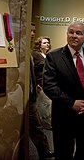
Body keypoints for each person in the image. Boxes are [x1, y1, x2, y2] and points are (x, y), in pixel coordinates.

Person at [43, 21, 84, 160]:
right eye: (71, 32)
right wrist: (71, 103)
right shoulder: (54, 56)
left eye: (78, 33)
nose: (74, 35)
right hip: (64, 114)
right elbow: (49, 85)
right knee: (64, 152)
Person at [29, 22, 54, 160]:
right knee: (38, 123)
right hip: (37, 88)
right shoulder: (34, 54)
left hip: (43, 87)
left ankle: (44, 152)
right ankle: (44, 151)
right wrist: (37, 83)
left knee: (37, 126)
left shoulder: (49, 55)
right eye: (45, 42)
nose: (32, 33)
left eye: (34, 31)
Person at [32, 36, 52, 129]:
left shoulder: (48, 54)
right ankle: (46, 123)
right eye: (44, 43)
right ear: (39, 44)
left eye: (48, 42)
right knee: (44, 103)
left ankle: (47, 122)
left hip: (48, 83)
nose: (47, 44)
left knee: (47, 103)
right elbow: (33, 71)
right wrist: (35, 84)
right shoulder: (36, 55)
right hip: (40, 83)